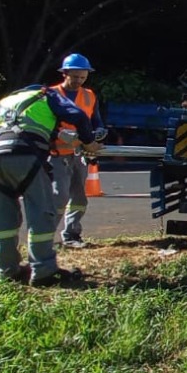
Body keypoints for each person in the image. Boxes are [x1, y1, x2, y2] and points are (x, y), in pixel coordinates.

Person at [0, 85, 102, 287]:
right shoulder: (47, 95)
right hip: (25, 154)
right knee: (42, 212)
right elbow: (79, 115)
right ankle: (43, 271)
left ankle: (7, 271)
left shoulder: (3, 103)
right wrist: (89, 142)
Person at [49, 53, 106, 249]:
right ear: (65, 74)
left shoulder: (89, 95)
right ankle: (46, 236)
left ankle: (72, 234)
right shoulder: (51, 94)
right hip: (56, 153)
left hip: (79, 153)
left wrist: (99, 130)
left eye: (82, 77)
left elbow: (95, 120)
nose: (78, 81)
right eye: (74, 77)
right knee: (60, 195)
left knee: (79, 197)